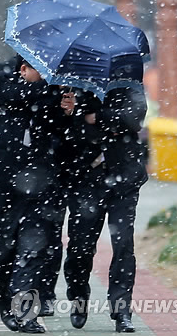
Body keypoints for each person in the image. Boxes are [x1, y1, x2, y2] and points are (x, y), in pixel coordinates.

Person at [0, 56, 65, 333]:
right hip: (2, 178)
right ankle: (0, 297)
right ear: (23, 67)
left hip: (42, 178)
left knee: (33, 249)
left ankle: (25, 312)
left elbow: (68, 132)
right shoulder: (1, 76)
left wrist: (72, 111)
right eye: (36, 70)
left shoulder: (61, 82)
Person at [62, 85, 148, 333]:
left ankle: (122, 310)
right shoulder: (72, 87)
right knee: (80, 246)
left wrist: (97, 117)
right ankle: (78, 297)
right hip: (86, 180)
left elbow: (133, 118)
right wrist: (70, 116)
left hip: (124, 178)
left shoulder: (128, 83)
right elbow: (62, 134)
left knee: (123, 244)